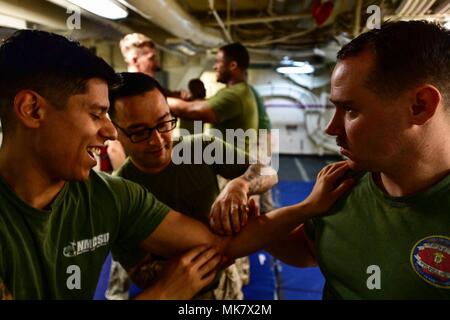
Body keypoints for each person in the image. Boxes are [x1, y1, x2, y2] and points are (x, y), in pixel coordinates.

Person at [0, 29, 355, 300]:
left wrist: (255, 190)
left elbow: (221, 246)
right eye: (97, 114)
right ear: (32, 110)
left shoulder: (112, 195)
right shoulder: (125, 186)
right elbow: (151, 276)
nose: (107, 131)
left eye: (164, 124)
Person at [233, 20, 450, 299]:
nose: (330, 128)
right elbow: (309, 250)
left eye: (350, 109)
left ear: (419, 106)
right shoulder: (341, 183)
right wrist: (258, 221)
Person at [105, 72, 278, 300]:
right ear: (115, 131)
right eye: (139, 132)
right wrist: (218, 252)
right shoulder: (118, 193)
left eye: (164, 123)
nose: (157, 140)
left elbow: (268, 171)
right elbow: (140, 272)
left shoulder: (199, 148)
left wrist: (240, 185)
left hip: (225, 287)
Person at [167, 42, 258, 152]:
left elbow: (190, 110)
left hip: (230, 166)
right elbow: (202, 104)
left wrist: (158, 101)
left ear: (233, 66)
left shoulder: (235, 95)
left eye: (218, 62)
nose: (215, 67)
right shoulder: (237, 91)